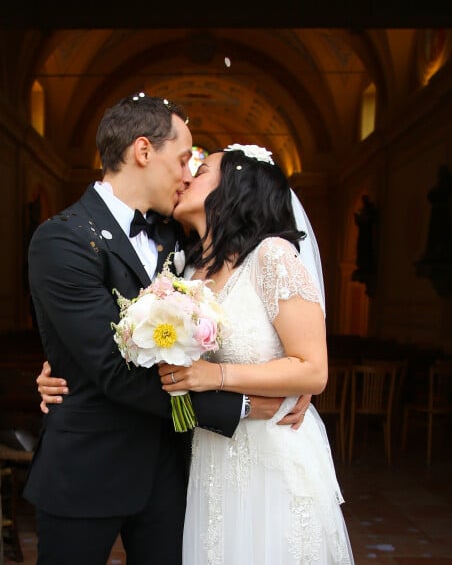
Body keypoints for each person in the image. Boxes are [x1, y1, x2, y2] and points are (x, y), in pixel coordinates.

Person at [25, 95, 309, 565]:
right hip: (87, 469)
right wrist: (238, 406)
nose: (187, 175)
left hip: (174, 472)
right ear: (142, 151)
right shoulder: (62, 239)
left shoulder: (183, 238)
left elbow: (249, 314)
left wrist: (293, 374)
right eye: (182, 160)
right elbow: (114, 370)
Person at [157, 144, 354, 563]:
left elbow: (313, 369)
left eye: (203, 169)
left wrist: (216, 376)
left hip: (272, 453)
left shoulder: (272, 256)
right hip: (211, 455)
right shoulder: (188, 272)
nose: (188, 177)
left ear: (235, 186)